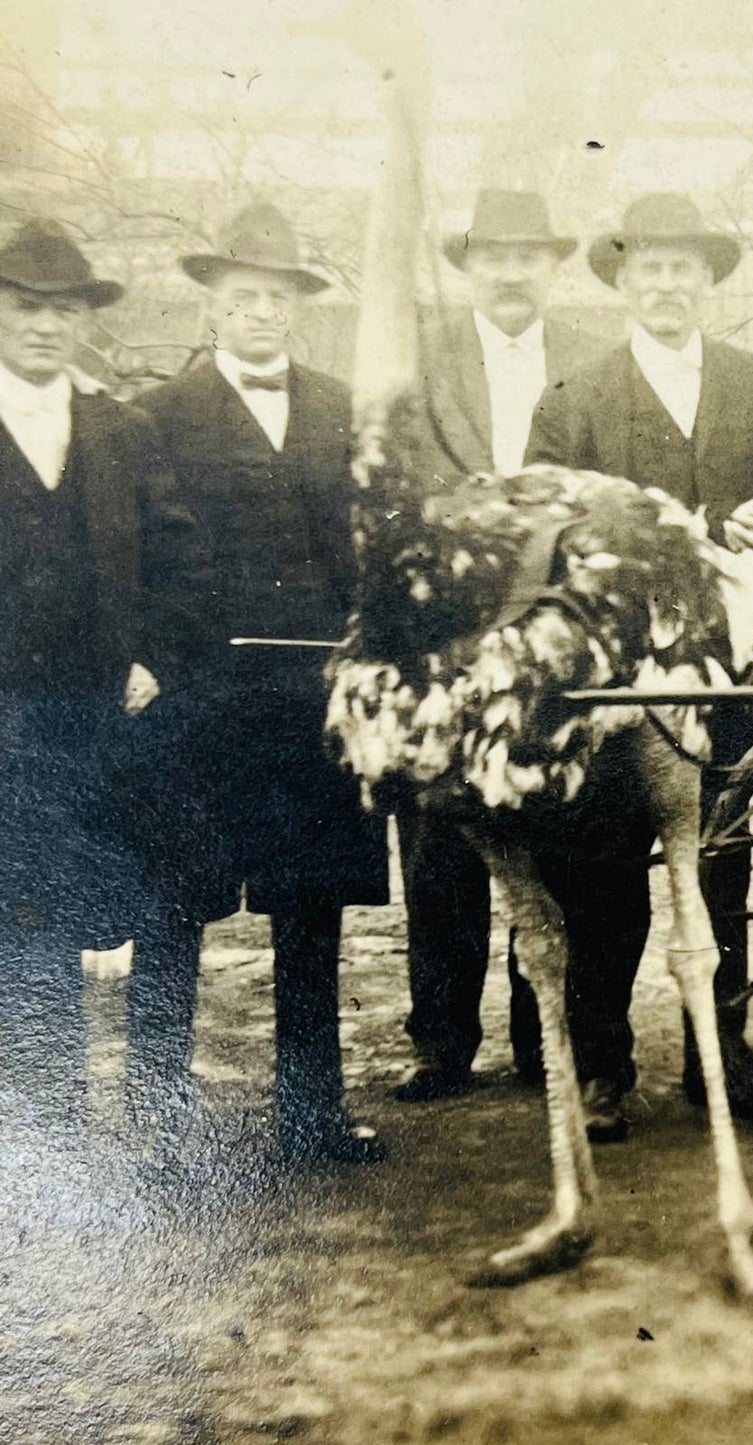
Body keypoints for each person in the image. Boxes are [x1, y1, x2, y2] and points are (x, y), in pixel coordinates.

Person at [526, 191, 753, 1140]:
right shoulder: (577, 393)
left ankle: (715, 1058)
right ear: (622, 281)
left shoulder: (749, 378)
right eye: (648, 268)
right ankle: (605, 1072)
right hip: (619, 674)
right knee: (605, 871)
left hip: (721, 664)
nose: (666, 285)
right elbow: (543, 514)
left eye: (683, 269)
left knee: (721, 858)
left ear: (705, 282)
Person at [124, 202, 389, 1165]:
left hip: (311, 701)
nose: (262, 314)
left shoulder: (336, 407)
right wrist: (161, 659)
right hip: (202, 702)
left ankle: (312, 1116)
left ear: (296, 309)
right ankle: (158, 1128)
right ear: (215, 307)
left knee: (310, 907)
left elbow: (367, 550)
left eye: (277, 298)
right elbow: (141, 555)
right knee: (176, 904)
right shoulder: (157, 415)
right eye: (244, 298)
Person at [394, 189, 612, 1104]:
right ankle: (442, 1039)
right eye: (495, 255)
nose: (513, 271)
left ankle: (540, 1037)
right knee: (444, 841)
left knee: (552, 827)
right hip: (450, 630)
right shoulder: (426, 366)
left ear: (553, 268)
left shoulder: (593, 365)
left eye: (530, 255)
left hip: (553, 632)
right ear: (469, 267)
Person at [0, 219, 196, 1142]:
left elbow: (175, 553)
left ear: (84, 322)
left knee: (121, 902)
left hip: (100, 714)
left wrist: (154, 653)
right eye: (23, 309)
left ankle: (139, 1115)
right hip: (5, 718)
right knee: (19, 915)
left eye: (61, 312)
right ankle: (40, 1137)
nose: (43, 327)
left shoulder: (121, 429)